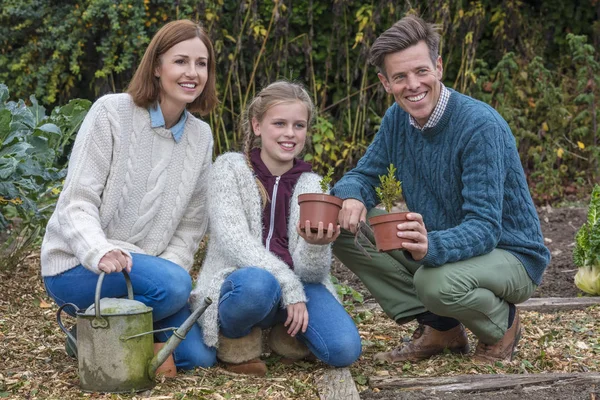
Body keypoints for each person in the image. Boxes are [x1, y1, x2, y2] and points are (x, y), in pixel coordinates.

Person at [331, 15, 551, 363]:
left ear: (438, 67)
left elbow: (484, 228)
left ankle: (503, 325)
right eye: (399, 76)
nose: (412, 84)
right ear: (385, 83)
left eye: (421, 71)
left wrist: (431, 245)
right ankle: (442, 329)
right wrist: (353, 196)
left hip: (509, 253)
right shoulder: (396, 121)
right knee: (343, 226)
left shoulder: (479, 126)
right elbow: (362, 175)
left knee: (434, 283)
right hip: (445, 247)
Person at [41, 19, 218, 370]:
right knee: (173, 286)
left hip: (152, 277)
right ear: (156, 66)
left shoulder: (201, 137)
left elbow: (190, 227)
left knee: (199, 356)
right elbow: (77, 200)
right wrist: (100, 248)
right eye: (181, 61)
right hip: (80, 265)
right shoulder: (111, 112)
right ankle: (103, 330)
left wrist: (170, 272)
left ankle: (94, 339)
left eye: (201, 64)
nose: (192, 73)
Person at [190, 80, 362, 376]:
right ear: (257, 126)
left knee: (343, 348)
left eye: (299, 125)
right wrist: (289, 284)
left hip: (296, 287)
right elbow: (235, 243)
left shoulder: (314, 185)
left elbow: (312, 275)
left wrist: (316, 245)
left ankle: (285, 332)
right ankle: (238, 335)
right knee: (258, 284)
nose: (289, 134)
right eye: (279, 123)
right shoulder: (229, 169)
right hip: (241, 285)